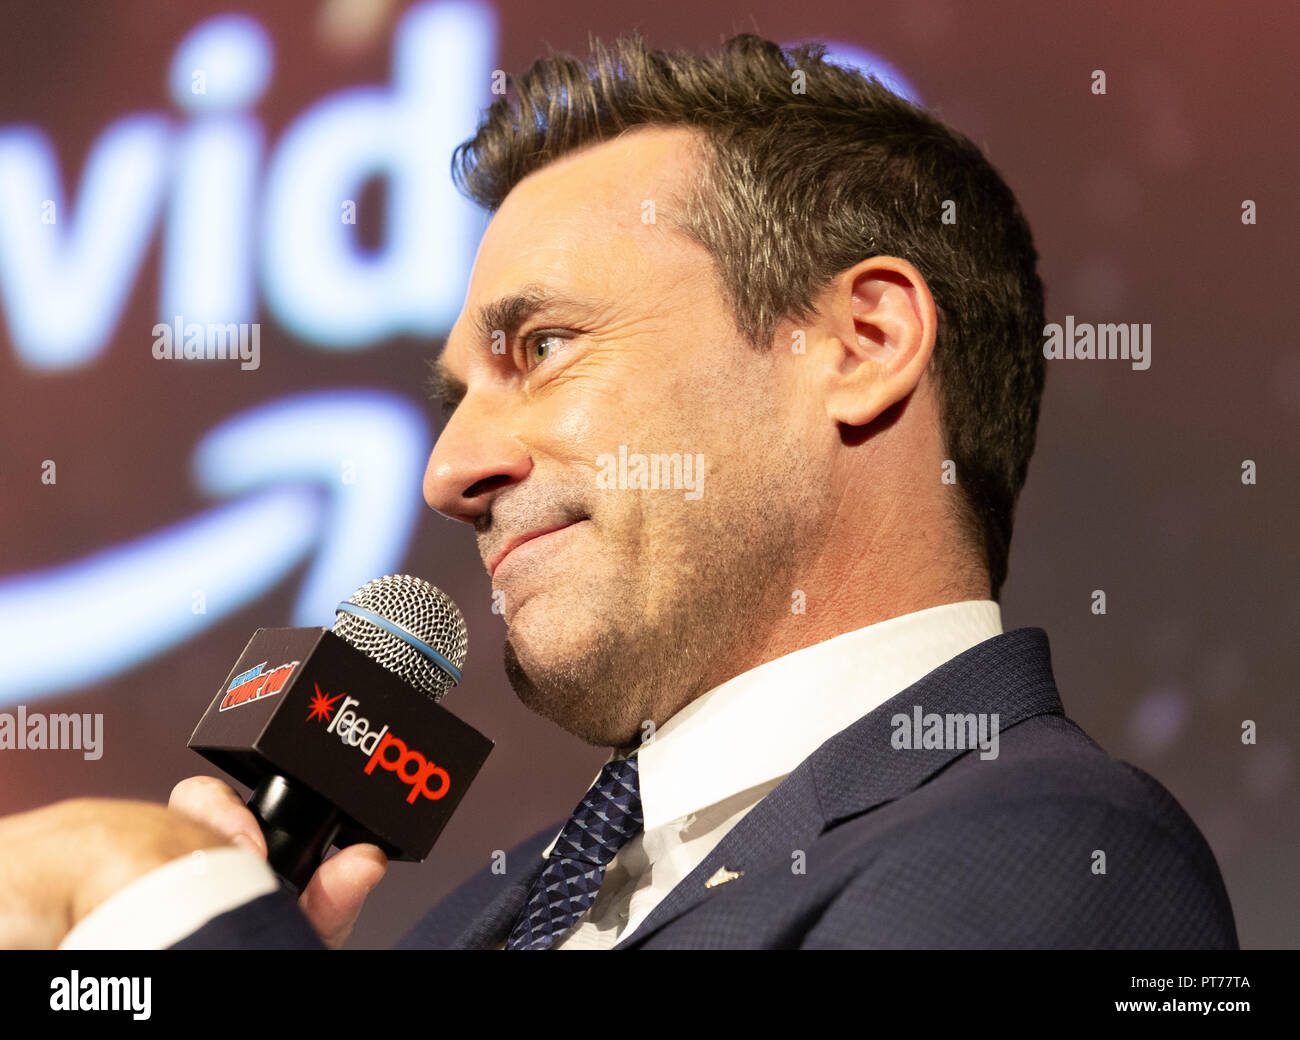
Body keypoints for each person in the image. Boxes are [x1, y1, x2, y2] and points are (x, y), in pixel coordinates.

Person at [0, 32, 1236, 950]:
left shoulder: (1066, 859)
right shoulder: (476, 915)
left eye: (540, 345)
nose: (447, 473)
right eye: (454, 400)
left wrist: (170, 909)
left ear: (860, 343)